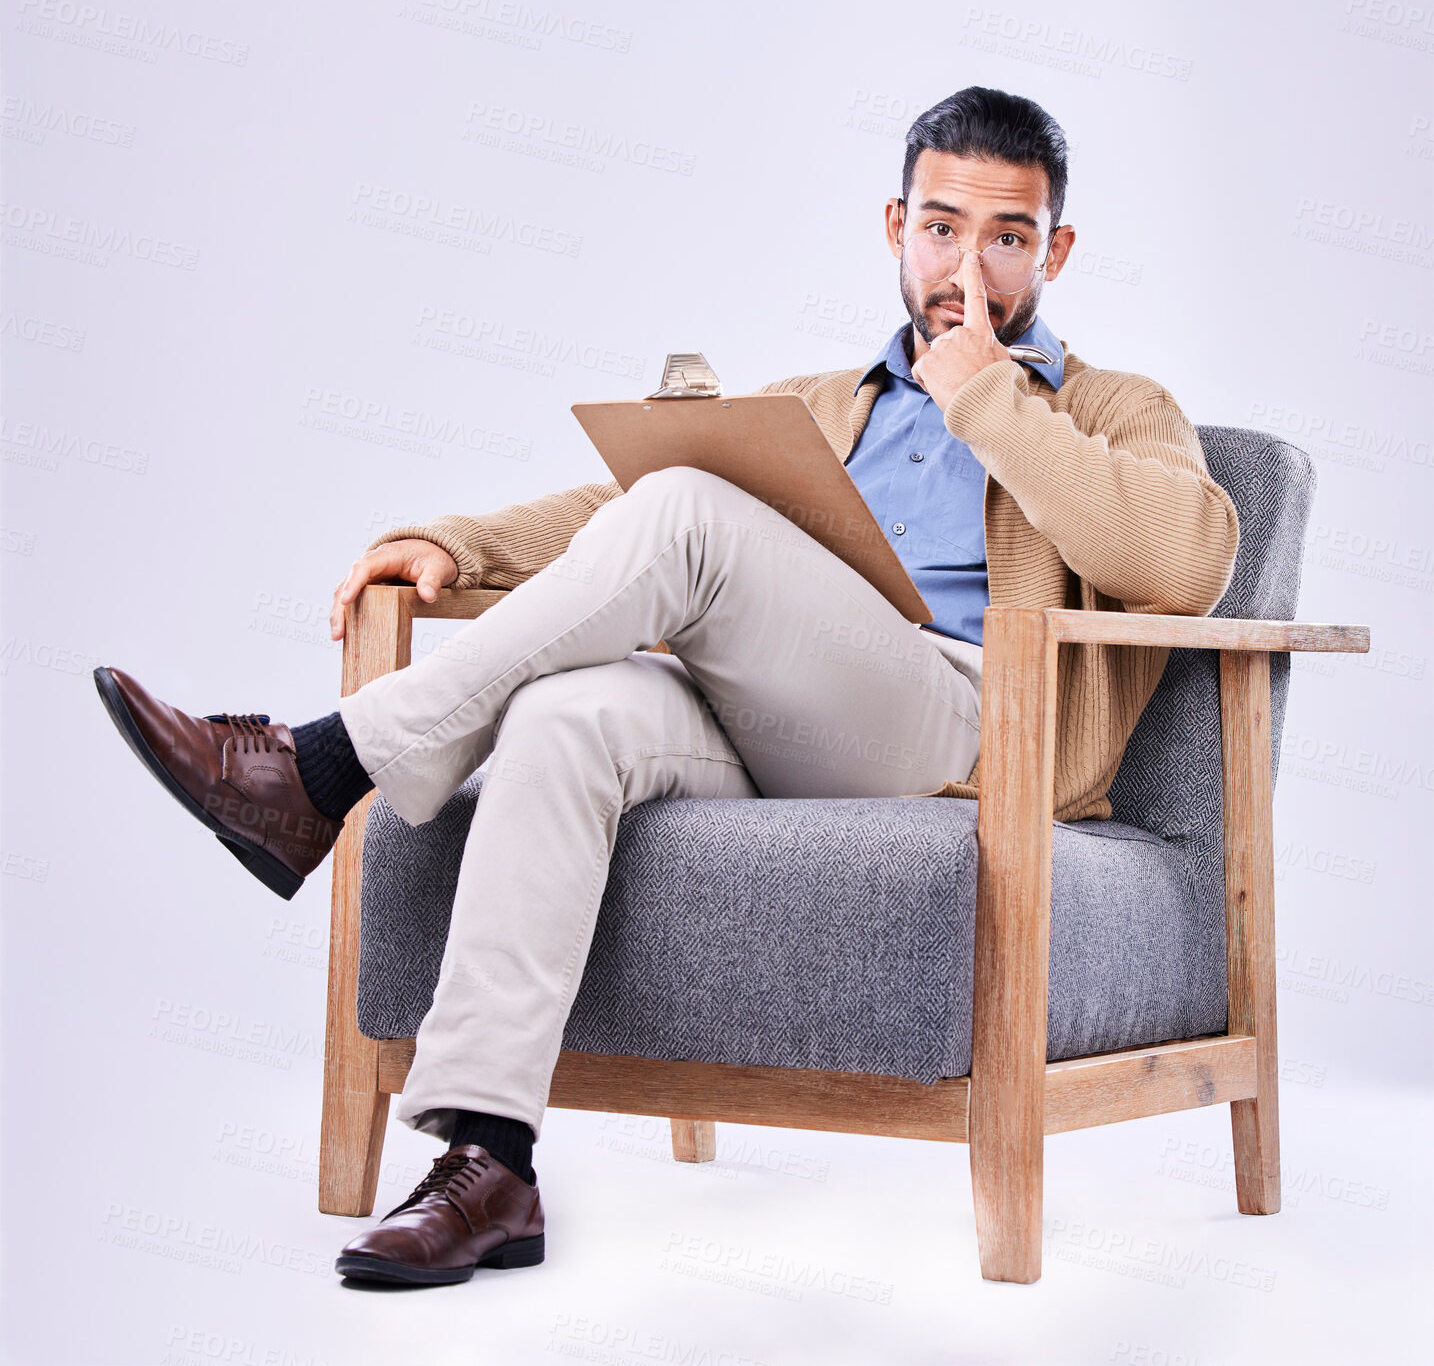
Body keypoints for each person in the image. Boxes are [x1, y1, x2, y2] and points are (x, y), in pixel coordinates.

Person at [94, 86, 1240, 1288]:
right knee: (565, 712)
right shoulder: (825, 401)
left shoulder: (1114, 408)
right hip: (782, 723)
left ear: (1052, 249)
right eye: (943, 227)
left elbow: (1188, 561)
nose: (970, 267)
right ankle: (489, 1161)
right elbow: (622, 521)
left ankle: (315, 767)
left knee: (691, 513)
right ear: (894, 225)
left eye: (1007, 237)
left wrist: (988, 397)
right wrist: (462, 542)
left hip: (966, 734)